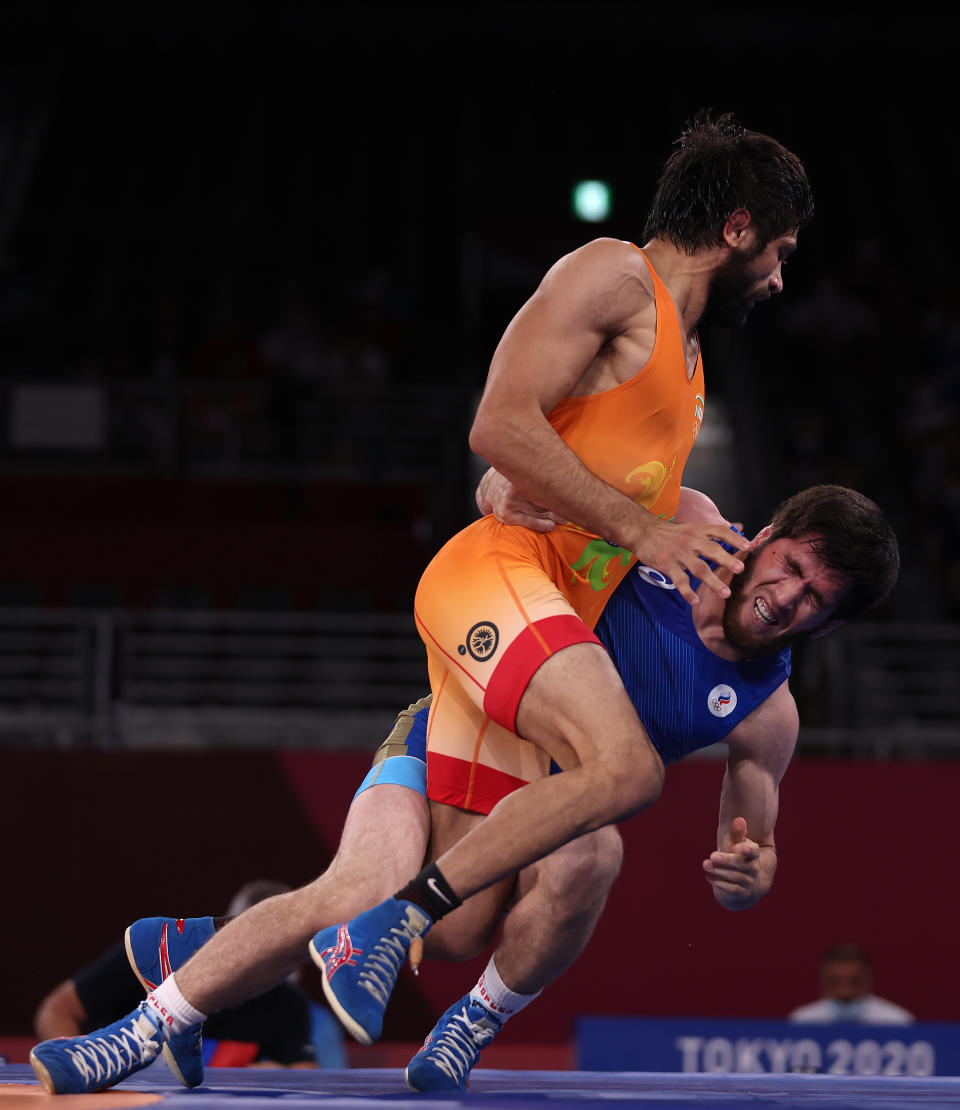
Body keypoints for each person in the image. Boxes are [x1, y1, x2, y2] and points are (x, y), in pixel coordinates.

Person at [31, 483, 900, 1095]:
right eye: (790, 566)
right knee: (359, 896)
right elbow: (539, 481)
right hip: (456, 728)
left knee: (590, 849)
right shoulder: (681, 519)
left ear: (832, 622)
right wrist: (498, 485)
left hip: (548, 813)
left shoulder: (767, 713)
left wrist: (755, 877)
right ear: (768, 534)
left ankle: (468, 1026)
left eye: (817, 600)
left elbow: (754, 847)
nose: (788, 598)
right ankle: (141, 1028)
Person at [305, 109, 817, 1047]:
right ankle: (383, 926)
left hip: (552, 668)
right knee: (615, 784)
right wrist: (629, 525)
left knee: (463, 927)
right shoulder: (618, 275)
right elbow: (500, 426)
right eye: (778, 250)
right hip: (505, 608)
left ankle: (201, 947)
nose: (782, 278)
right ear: (736, 227)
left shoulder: (689, 364)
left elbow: (556, 456)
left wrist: (559, 491)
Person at [33, 880, 346, 1069]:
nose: (280, 962)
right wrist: (80, 1061)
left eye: (287, 949)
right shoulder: (146, 961)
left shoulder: (286, 1002)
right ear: (234, 931)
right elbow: (56, 1010)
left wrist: (278, 1075)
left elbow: (304, 1072)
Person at [787, 943, 914, 1025]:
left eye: (855, 982)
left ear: (868, 980)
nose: (845, 992)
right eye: (834, 982)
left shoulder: (897, 1022)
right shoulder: (802, 1022)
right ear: (823, 980)